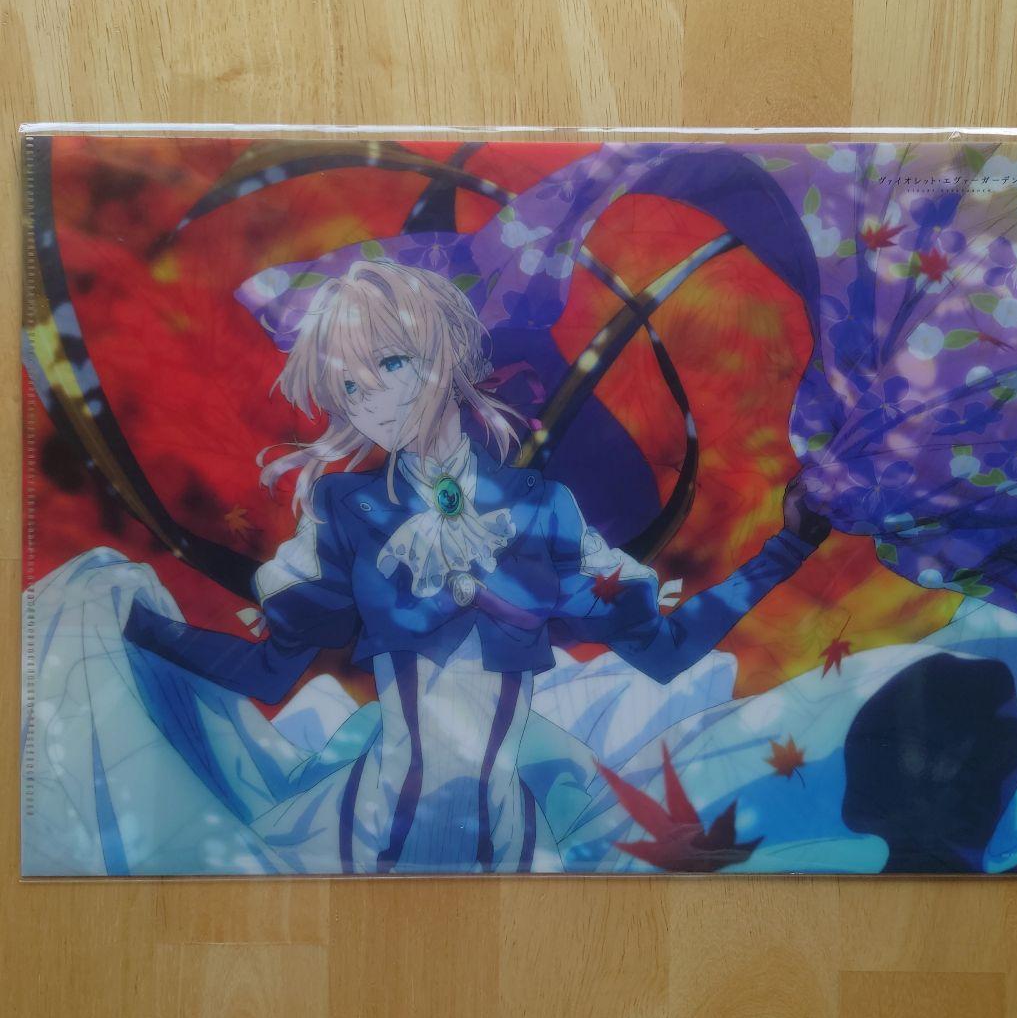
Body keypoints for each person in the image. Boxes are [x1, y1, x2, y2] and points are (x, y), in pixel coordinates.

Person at [25, 259, 831, 875]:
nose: (370, 401)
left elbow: (665, 652)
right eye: (348, 387)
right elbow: (271, 672)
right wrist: (140, 632)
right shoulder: (346, 512)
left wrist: (788, 548)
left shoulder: (541, 509)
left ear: (442, 353)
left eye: (389, 365)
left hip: (515, 853)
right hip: (362, 844)